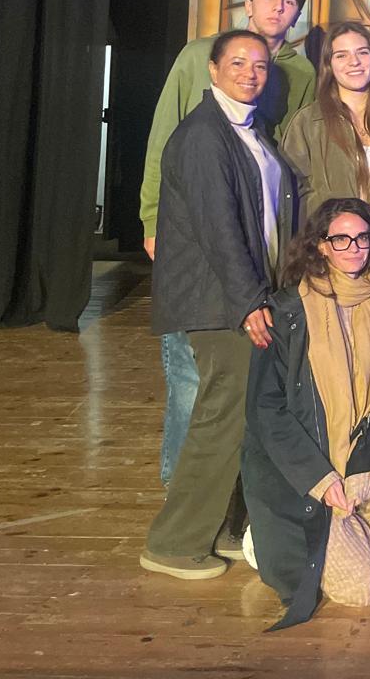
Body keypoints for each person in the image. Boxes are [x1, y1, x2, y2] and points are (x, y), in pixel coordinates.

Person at [241, 198, 370, 628]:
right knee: (365, 590)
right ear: (321, 246)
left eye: (362, 238)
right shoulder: (287, 312)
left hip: (354, 459)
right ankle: (270, 543)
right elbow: (266, 411)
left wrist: (362, 466)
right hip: (303, 473)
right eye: (341, 239)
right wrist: (320, 479)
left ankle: (347, 536)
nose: (353, 248)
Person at [140, 0, 313, 489]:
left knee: (241, 385)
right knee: (192, 378)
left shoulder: (299, 74)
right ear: (248, 3)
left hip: (259, 246)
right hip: (196, 230)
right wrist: (152, 216)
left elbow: (285, 154)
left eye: (289, 1)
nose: (277, 7)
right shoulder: (200, 55)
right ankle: (181, 494)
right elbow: (165, 135)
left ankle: (230, 498)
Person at [140, 29, 295, 580]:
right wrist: (248, 301)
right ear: (212, 69)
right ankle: (175, 542)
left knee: (243, 419)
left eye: (259, 65)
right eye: (238, 63)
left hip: (245, 296)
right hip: (220, 302)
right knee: (222, 417)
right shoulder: (204, 135)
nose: (250, 73)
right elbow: (219, 229)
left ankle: (222, 526)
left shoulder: (249, 130)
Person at [279, 20, 370, 212]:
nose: (354, 62)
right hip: (328, 230)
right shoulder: (307, 122)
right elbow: (291, 192)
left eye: (362, 52)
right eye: (341, 55)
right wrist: (335, 220)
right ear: (329, 64)